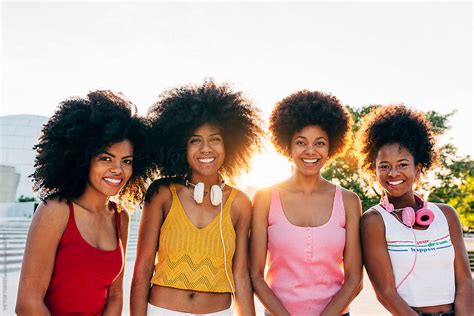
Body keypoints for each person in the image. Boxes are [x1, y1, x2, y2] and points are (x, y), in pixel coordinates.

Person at [130, 81, 263, 316]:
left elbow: (241, 275)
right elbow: (142, 270)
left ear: (229, 144)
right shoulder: (162, 194)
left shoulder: (240, 203)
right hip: (162, 310)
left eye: (214, 139)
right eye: (195, 140)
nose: (205, 148)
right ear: (182, 146)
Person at [16, 90, 152, 315]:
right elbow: (28, 302)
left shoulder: (120, 217)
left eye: (126, 161)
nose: (118, 170)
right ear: (83, 157)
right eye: (105, 158)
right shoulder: (56, 211)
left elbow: (115, 295)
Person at [250, 90, 363, 316]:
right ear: (288, 146)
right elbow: (255, 275)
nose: (310, 151)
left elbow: (355, 280)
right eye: (301, 142)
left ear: (331, 147)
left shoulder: (349, 201)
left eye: (319, 143)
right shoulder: (264, 198)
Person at [357, 105, 473, 315]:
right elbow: (386, 292)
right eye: (384, 166)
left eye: (402, 164)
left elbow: (465, 280)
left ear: (417, 169)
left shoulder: (446, 215)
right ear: (374, 169)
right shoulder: (374, 221)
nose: (393, 173)